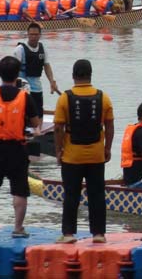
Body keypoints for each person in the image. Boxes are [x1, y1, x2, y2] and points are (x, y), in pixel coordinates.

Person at [0, 56, 41, 238]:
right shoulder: (24, 97)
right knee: (19, 189)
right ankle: (18, 228)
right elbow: (36, 123)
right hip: (17, 147)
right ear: (17, 75)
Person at [53, 59, 115, 244]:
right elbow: (110, 126)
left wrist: (58, 150)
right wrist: (108, 148)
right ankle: (98, 234)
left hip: (72, 157)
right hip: (96, 156)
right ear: (90, 75)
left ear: (73, 76)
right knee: (97, 195)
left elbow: (58, 128)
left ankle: (69, 234)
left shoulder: (65, 98)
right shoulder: (103, 97)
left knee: (71, 195)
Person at [12, 23, 60, 117]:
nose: (33, 37)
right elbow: (12, 69)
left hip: (36, 87)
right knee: (23, 113)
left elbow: (46, 65)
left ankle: (38, 125)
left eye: (36, 34)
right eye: (31, 34)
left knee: (39, 112)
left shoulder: (43, 48)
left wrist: (52, 81)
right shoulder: (19, 50)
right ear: (28, 34)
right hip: (22, 87)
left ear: (40, 35)